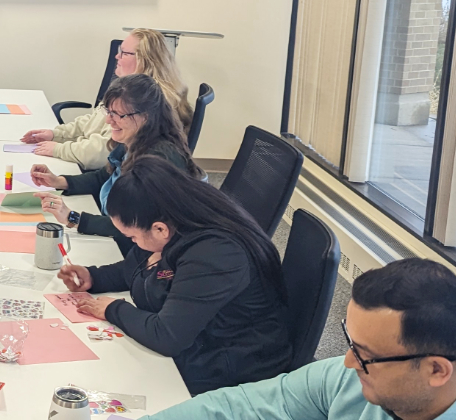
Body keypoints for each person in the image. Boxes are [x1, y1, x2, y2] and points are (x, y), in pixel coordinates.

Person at [142, 258, 456, 420]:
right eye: (350, 342)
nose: (349, 362)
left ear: (436, 370)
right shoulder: (351, 380)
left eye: (366, 355)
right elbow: (240, 407)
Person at [56, 156, 291, 395]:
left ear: (159, 229)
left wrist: (112, 309)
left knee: (102, 378)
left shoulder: (216, 254)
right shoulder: (173, 216)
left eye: (133, 238)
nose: (134, 243)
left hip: (230, 366)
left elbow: (167, 336)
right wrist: (94, 277)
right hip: (198, 341)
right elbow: (136, 267)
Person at [30, 74, 202, 255]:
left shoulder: (156, 162)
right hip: (116, 225)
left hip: (137, 249)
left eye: (118, 115)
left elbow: (135, 226)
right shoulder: (135, 140)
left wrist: (74, 218)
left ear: (146, 116)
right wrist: (60, 181)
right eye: (109, 112)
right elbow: (104, 176)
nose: (108, 121)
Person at [21, 28, 193, 170]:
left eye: (124, 53)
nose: (116, 57)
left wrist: (60, 149)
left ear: (145, 60)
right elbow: (93, 121)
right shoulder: (126, 89)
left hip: (122, 177)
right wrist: (56, 134)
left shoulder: (150, 101)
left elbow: (104, 151)